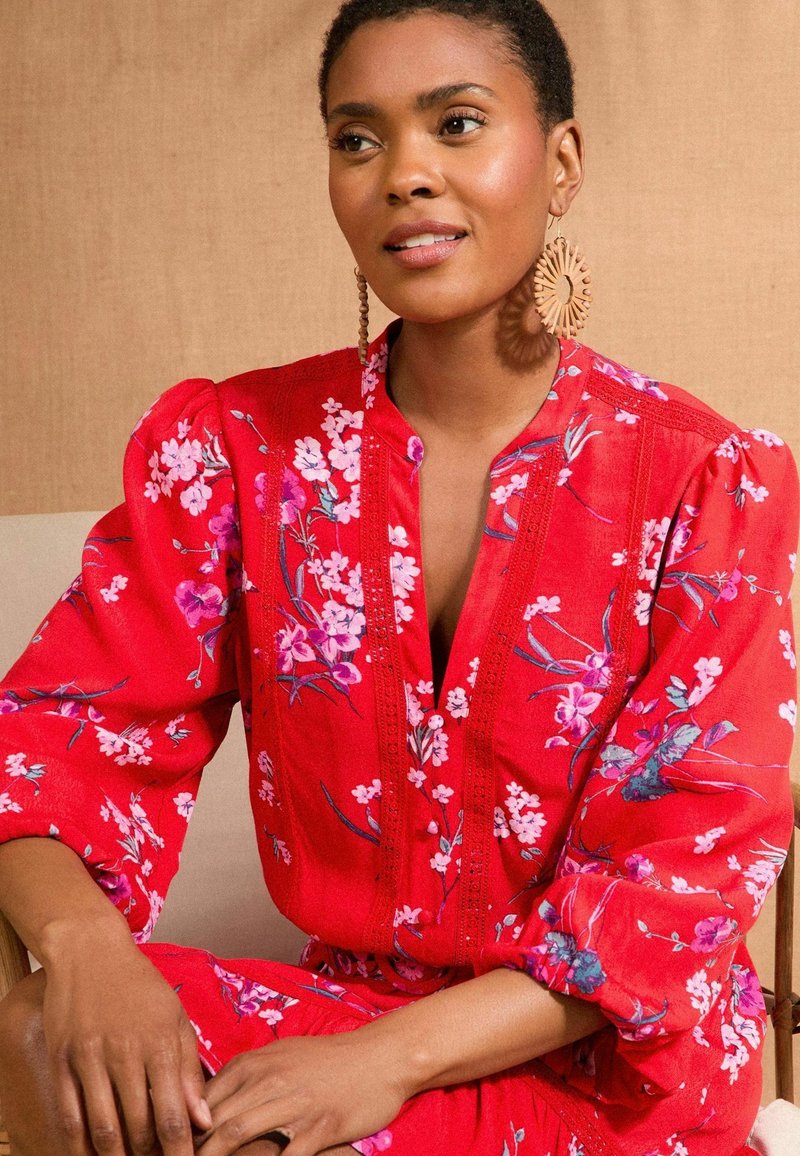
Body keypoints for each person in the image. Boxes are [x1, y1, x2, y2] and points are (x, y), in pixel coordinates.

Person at [0, 1, 796, 1153]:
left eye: (456, 124)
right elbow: (55, 740)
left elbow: (671, 888)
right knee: (43, 1036)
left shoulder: (701, 480)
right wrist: (86, 951)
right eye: (356, 138)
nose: (404, 174)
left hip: (613, 1072)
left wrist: (381, 1068)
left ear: (559, 162)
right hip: (347, 1014)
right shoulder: (237, 452)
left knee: (264, 1134)